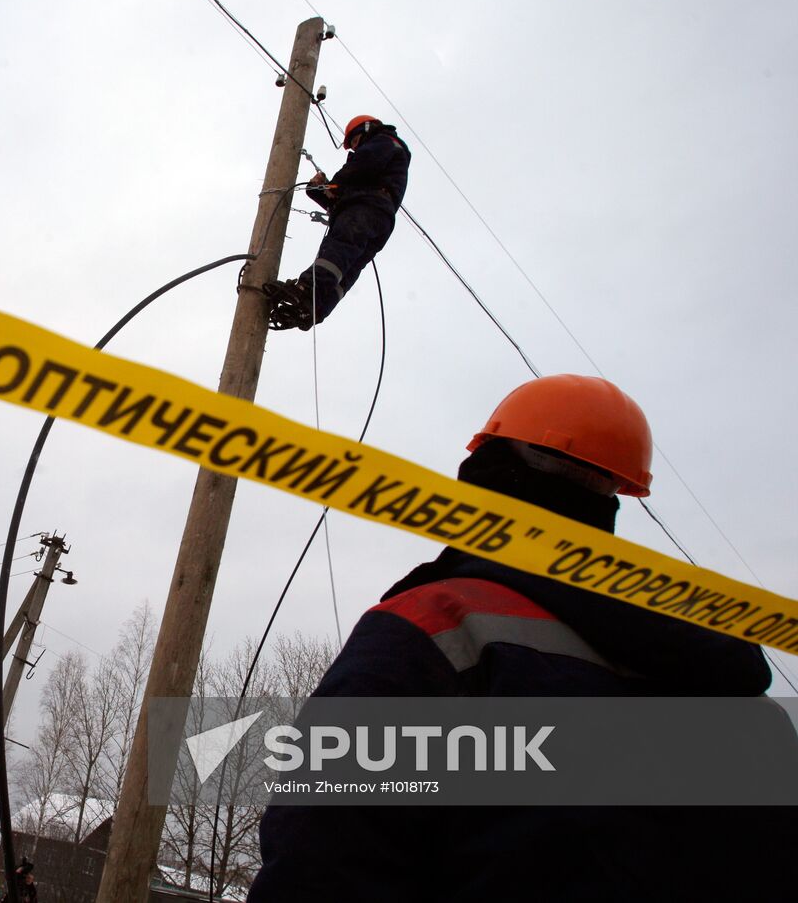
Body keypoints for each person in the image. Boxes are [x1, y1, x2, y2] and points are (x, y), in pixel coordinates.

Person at [249, 374, 791, 900]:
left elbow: (319, 859)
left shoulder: (438, 624)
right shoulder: (737, 690)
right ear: (612, 498)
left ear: (489, 471)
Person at [265, 115, 410, 331]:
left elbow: (362, 165)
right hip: (377, 216)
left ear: (367, 129)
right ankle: (316, 308)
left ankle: (307, 289)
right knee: (349, 266)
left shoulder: (385, 141)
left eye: (354, 141)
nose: (354, 147)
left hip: (367, 208)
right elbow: (339, 197)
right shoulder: (378, 167)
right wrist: (318, 190)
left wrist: (335, 184)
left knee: (340, 247)